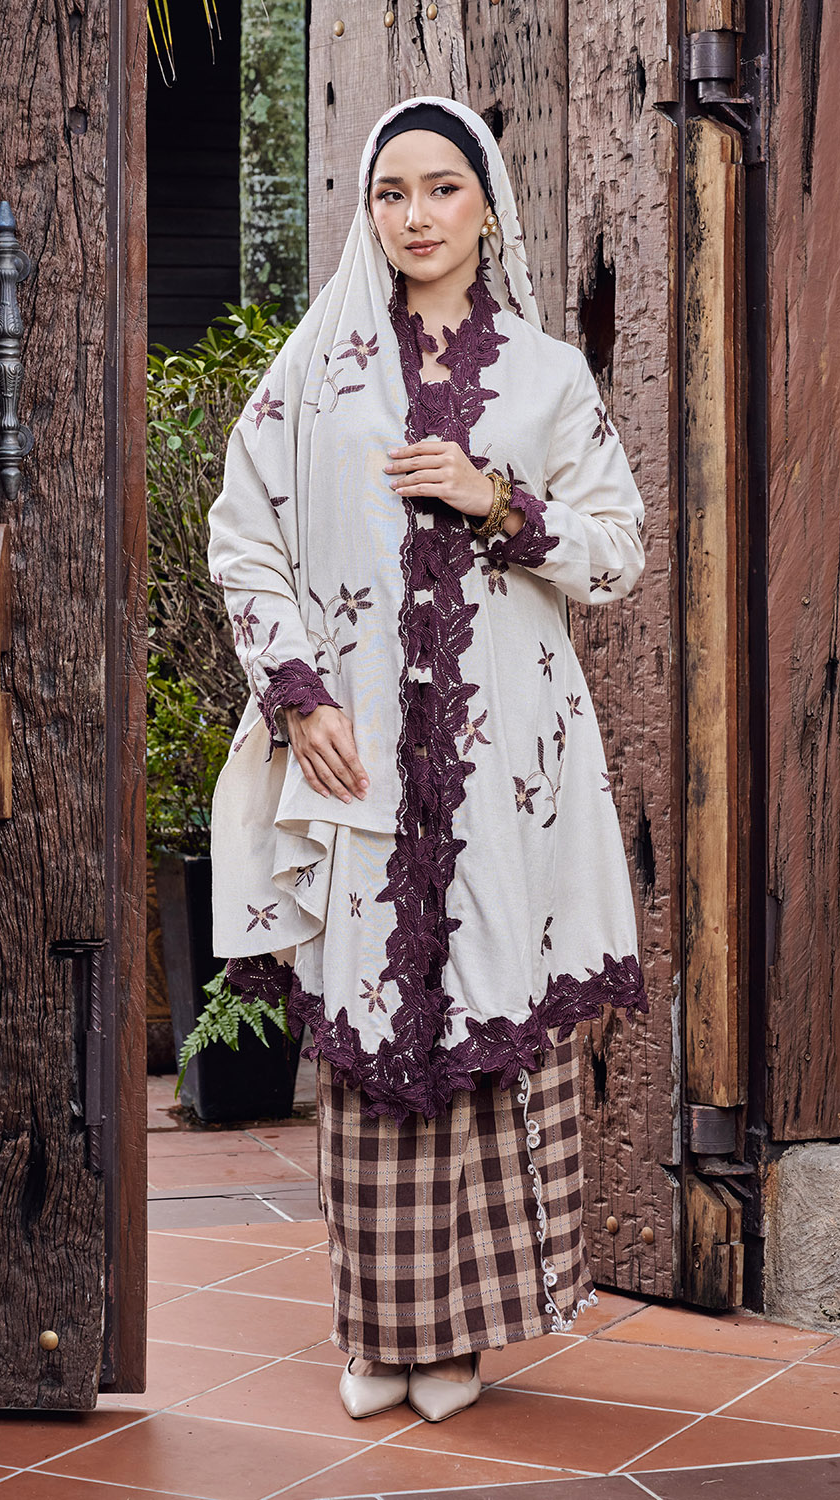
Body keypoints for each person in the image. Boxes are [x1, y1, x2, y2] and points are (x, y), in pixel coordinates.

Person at [205, 96, 649, 1424]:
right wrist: (297, 697)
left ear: (486, 206)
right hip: (360, 758)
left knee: (482, 1019)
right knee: (369, 1029)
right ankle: (378, 1331)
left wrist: (493, 498)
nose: (415, 216)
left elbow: (618, 554)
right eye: (390, 192)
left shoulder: (549, 377)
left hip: (508, 770)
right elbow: (243, 535)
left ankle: (457, 1338)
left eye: (441, 188)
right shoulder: (318, 366)